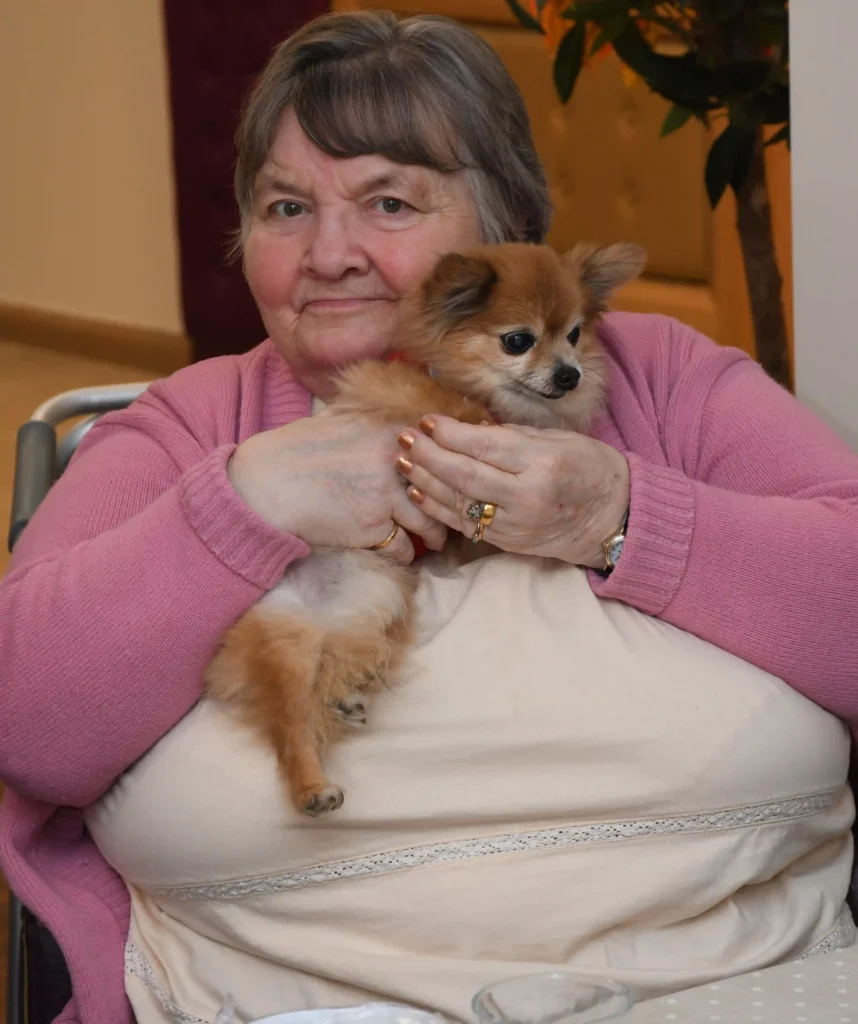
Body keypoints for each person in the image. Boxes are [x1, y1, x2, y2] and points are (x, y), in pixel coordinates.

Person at [2, 10, 858, 1024]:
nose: (329, 254)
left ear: (503, 224)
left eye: (390, 201)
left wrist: (619, 517)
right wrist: (246, 507)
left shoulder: (658, 377)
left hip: (737, 989)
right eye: (284, 207)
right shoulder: (195, 428)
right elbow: (27, 720)